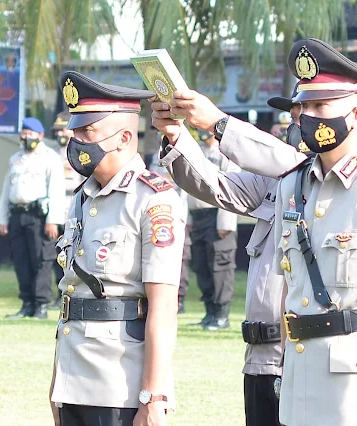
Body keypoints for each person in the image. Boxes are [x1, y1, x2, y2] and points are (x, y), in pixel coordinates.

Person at [154, 38, 357, 426]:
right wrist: (175, 135)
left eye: (320, 106)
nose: (306, 117)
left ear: (355, 114)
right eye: (303, 107)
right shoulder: (292, 186)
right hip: (297, 376)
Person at [152, 81, 306, 426]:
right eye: (292, 117)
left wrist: (218, 123)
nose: (295, 125)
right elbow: (214, 185)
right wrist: (177, 136)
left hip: (306, 357)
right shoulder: (276, 180)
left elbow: (299, 164)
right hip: (263, 357)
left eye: (304, 114)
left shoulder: (330, 178)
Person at [49, 71, 185, 426]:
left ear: (125, 137)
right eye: (75, 132)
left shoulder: (154, 199)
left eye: (87, 132)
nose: (76, 141)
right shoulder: (81, 196)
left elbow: (163, 305)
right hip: (73, 377)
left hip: (120, 384)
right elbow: (70, 297)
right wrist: (57, 383)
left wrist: (154, 396)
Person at [0, 117, 65, 320]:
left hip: (39, 217)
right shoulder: (15, 158)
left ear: (40, 136)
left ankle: (41, 305)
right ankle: (26, 303)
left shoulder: (50, 158)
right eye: (23, 133)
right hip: (17, 214)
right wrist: (2, 219)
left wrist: (53, 220)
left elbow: (56, 191)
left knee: (41, 260)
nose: (26, 137)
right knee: (21, 260)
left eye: (30, 134)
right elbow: (6, 190)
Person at [187, 130, 240, 330]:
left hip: (218, 215)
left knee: (221, 267)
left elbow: (232, 187)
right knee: (201, 265)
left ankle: (222, 315)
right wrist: (189, 216)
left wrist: (226, 222)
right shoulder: (197, 152)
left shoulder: (225, 153)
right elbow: (188, 186)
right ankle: (209, 312)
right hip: (198, 215)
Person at [148, 141, 190, 314]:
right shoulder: (153, 158)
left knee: (182, 259)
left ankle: (179, 300)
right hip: (158, 215)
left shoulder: (185, 154)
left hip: (180, 214)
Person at [50, 111, 83, 308]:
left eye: (62, 129)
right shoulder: (51, 153)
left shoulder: (81, 154)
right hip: (56, 208)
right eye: (57, 130)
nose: (59, 133)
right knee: (58, 255)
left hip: (74, 207)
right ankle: (59, 292)